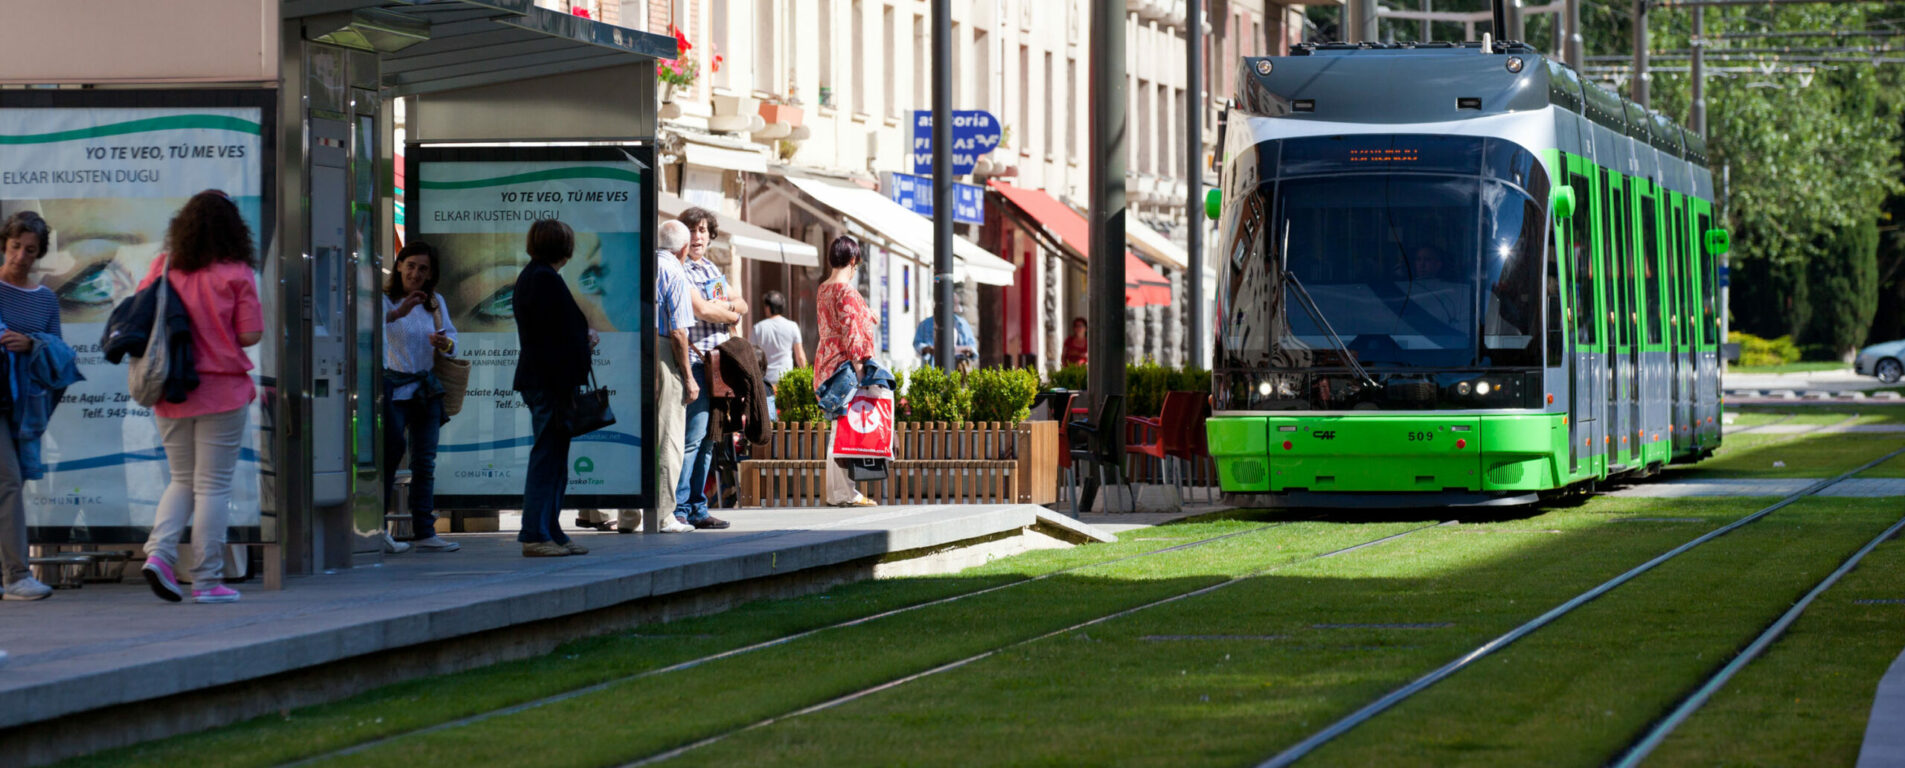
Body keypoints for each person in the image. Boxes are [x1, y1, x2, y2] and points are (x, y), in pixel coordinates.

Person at [137, 191, 264, 604]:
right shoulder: (236, 272)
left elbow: (140, 313)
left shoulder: (163, 266)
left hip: (169, 387)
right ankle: (207, 580)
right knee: (212, 487)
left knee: (181, 480)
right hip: (221, 391)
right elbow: (249, 334)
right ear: (232, 229)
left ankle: (159, 554)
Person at [511, 218, 595, 558]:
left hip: (548, 380)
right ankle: (535, 533)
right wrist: (584, 342)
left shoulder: (536, 277)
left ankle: (552, 530)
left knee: (555, 458)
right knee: (548, 457)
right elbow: (554, 336)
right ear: (564, 248)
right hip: (550, 382)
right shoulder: (544, 279)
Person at [381, 241, 461, 553]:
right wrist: (399, 312)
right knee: (390, 454)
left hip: (426, 389)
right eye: (411, 265)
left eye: (423, 268)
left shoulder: (435, 301)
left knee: (424, 461)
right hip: (394, 386)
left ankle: (425, 531)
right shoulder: (385, 301)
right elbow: (366, 331)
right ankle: (378, 530)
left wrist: (446, 344)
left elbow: (453, 338)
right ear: (399, 265)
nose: (415, 273)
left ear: (430, 274)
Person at [0, 211, 61, 601]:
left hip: (21, 404)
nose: (21, 256)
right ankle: (17, 574)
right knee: (8, 483)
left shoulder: (46, 299)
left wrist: (32, 343)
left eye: (31, 250)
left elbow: (61, 354)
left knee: (8, 482)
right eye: (15, 247)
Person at [674, 207, 747, 530]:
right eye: (692, 230)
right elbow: (701, 310)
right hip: (696, 363)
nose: (698, 236)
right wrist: (729, 313)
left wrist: (728, 309)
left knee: (709, 439)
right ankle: (679, 507)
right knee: (692, 438)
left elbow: (741, 302)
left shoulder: (710, 268)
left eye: (703, 230)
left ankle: (698, 507)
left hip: (717, 365)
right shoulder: (682, 269)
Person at [814, 236, 881, 508]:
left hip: (826, 363)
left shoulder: (823, 288)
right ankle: (845, 493)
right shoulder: (847, 291)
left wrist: (868, 315)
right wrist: (861, 371)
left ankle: (837, 492)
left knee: (837, 428)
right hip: (845, 366)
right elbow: (853, 334)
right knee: (844, 430)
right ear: (853, 261)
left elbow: (839, 322)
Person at [751, 290, 806, 421]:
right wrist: (804, 378)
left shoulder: (758, 328)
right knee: (787, 419)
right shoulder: (792, 326)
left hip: (766, 381)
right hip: (786, 380)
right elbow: (800, 357)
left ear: (768, 307)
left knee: (769, 419)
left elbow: (751, 355)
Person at [912, 293, 977, 370]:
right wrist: (927, 349)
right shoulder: (925, 324)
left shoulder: (962, 323)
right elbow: (917, 343)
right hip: (934, 367)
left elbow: (972, 348)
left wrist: (969, 350)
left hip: (958, 367)